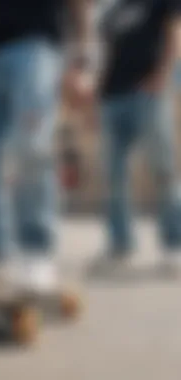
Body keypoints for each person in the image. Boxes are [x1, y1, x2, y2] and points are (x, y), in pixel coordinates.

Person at [0, 0, 95, 292]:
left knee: (31, 146)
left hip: (38, 49)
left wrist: (82, 64)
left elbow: (81, 6)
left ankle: (36, 252)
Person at [92, 0, 181, 271]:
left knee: (162, 169)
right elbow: (106, 54)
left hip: (148, 93)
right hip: (112, 98)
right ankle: (121, 246)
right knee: (114, 175)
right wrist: (97, 91)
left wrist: (164, 73)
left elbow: (174, 32)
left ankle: (174, 244)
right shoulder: (111, 12)